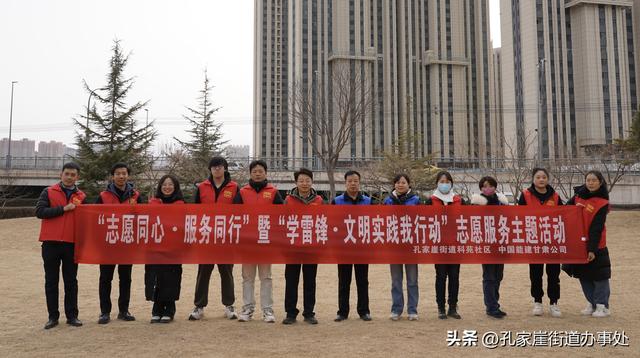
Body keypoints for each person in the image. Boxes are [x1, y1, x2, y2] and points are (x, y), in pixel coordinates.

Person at [35, 162, 86, 329]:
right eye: (67, 174)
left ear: (77, 177)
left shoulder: (82, 196)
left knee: (71, 281)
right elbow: (40, 212)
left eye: (73, 175)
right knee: (51, 281)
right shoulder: (48, 192)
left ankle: (72, 316)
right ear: (61, 174)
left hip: (71, 244)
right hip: (50, 243)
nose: (70, 177)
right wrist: (64, 208)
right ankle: (53, 317)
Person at [188, 157, 240, 321]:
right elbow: (195, 211)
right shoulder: (202, 187)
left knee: (227, 272)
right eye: (214, 167)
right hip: (206, 236)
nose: (217, 169)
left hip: (226, 237)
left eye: (220, 166)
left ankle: (229, 305)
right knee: (203, 272)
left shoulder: (234, 187)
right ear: (210, 169)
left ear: (225, 168)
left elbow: (240, 212)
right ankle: (199, 306)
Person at [233, 160, 284, 322]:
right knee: (247, 277)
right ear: (250, 173)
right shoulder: (242, 192)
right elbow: (234, 215)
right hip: (247, 242)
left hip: (265, 241)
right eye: (254, 171)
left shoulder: (274, 192)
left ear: (266, 173)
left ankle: (267, 310)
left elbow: (281, 216)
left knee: (266, 277)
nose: (257, 173)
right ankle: (247, 309)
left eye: (260, 171)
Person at [96, 162, 146, 324]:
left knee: (125, 278)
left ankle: (124, 310)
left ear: (128, 175)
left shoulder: (136, 196)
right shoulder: (103, 196)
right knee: (105, 278)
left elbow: (144, 217)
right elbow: (95, 219)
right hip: (108, 244)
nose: (121, 176)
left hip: (127, 242)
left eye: (124, 173)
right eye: (118, 173)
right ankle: (105, 312)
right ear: (113, 176)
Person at [517, 167, 563, 318]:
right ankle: (537, 301)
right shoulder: (525, 195)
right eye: (538, 177)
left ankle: (554, 303)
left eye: (544, 177)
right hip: (534, 241)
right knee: (536, 273)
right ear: (533, 179)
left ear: (548, 179)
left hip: (552, 242)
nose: (541, 179)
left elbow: (564, 215)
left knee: (553, 274)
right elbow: (518, 216)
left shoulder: (555, 196)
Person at [565, 171, 611, 318]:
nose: (590, 183)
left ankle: (602, 306)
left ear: (600, 182)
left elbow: (596, 227)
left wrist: (592, 249)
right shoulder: (578, 196)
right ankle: (591, 303)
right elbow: (565, 210)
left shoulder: (602, 202)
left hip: (596, 245)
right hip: (578, 243)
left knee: (599, 275)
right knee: (584, 275)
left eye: (594, 180)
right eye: (588, 180)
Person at [282, 168, 324, 325]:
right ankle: (290, 313)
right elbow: (282, 223)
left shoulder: (319, 200)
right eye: (301, 180)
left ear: (312, 182)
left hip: (311, 248)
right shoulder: (288, 200)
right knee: (291, 281)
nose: (304, 183)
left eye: (307, 180)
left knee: (310, 281)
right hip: (292, 248)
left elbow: (323, 222)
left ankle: (309, 313)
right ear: (296, 182)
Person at [332, 170, 373, 322]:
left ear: (359, 182)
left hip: (362, 248)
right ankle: (342, 312)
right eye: (350, 181)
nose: (353, 184)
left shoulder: (368, 201)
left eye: (356, 181)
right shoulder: (337, 201)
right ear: (345, 183)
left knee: (362, 280)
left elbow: (374, 222)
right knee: (344, 280)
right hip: (344, 248)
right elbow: (332, 224)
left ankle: (364, 311)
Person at [425, 170, 464, 320]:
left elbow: (467, 219)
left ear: (451, 184)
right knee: (441, 276)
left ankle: (452, 307)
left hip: (455, 244)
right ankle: (440, 307)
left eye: (447, 182)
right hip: (439, 245)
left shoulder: (458, 200)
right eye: (442, 182)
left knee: (454, 276)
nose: (445, 184)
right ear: (437, 183)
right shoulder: (431, 200)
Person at [147, 175, 184, 323]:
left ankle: (169, 309)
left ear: (175, 187)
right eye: (164, 184)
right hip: (156, 246)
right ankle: (157, 308)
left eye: (170, 185)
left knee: (172, 278)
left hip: (174, 247)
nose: (167, 187)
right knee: (157, 277)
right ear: (160, 187)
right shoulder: (153, 203)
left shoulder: (181, 204)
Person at [470, 176, 509, 319]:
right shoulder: (476, 203)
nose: (488, 188)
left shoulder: (501, 202)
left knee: (498, 276)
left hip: (500, 243)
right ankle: (491, 307)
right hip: (486, 244)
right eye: (485, 186)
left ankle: (495, 303)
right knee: (489, 276)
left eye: (491, 185)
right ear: (481, 188)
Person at [383, 174, 420, 321]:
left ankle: (412, 310)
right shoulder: (388, 201)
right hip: (394, 246)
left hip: (410, 245)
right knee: (396, 280)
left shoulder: (416, 200)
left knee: (412, 280)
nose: (400, 185)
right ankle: (396, 309)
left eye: (403, 182)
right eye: (398, 182)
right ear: (394, 184)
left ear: (409, 184)